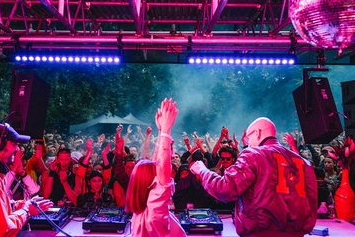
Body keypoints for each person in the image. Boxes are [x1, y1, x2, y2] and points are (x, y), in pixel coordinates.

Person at [190, 117, 317, 237]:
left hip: (260, 232)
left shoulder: (253, 154)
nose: (247, 142)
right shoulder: (305, 163)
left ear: (257, 133)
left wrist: (202, 171)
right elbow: (311, 203)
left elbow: (225, 189)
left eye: (248, 137)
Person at [126, 98, 186, 237]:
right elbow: (162, 168)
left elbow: (157, 163)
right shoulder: (154, 213)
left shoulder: (140, 213)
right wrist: (166, 131)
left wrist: (160, 132)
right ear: (150, 185)